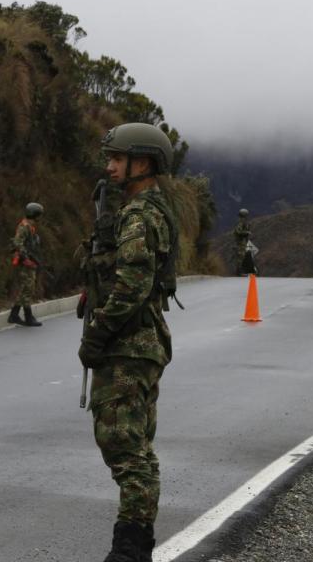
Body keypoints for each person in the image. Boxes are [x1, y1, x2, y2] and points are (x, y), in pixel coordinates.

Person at [78, 122, 178, 562]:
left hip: (128, 346)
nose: (109, 166)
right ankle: (136, 547)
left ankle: (130, 550)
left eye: (117, 159)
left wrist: (98, 334)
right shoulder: (141, 211)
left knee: (124, 447)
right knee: (134, 446)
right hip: (139, 344)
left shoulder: (140, 216)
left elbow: (134, 285)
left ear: (142, 162)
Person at [8, 202, 44, 327]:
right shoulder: (24, 226)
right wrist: (25, 258)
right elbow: (18, 243)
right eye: (39, 214)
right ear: (35, 215)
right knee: (27, 288)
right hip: (24, 262)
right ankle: (28, 317)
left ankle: (14, 314)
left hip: (28, 260)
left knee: (26, 288)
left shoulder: (30, 226)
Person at [232, 208, 251, 275]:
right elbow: (238, 231)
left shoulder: (242, 221)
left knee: (241, 256)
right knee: (240, 257)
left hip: (242, 241)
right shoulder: (241, 222)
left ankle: (239, 271)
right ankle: (239, 272)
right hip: (240, 242)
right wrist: (246, 232)